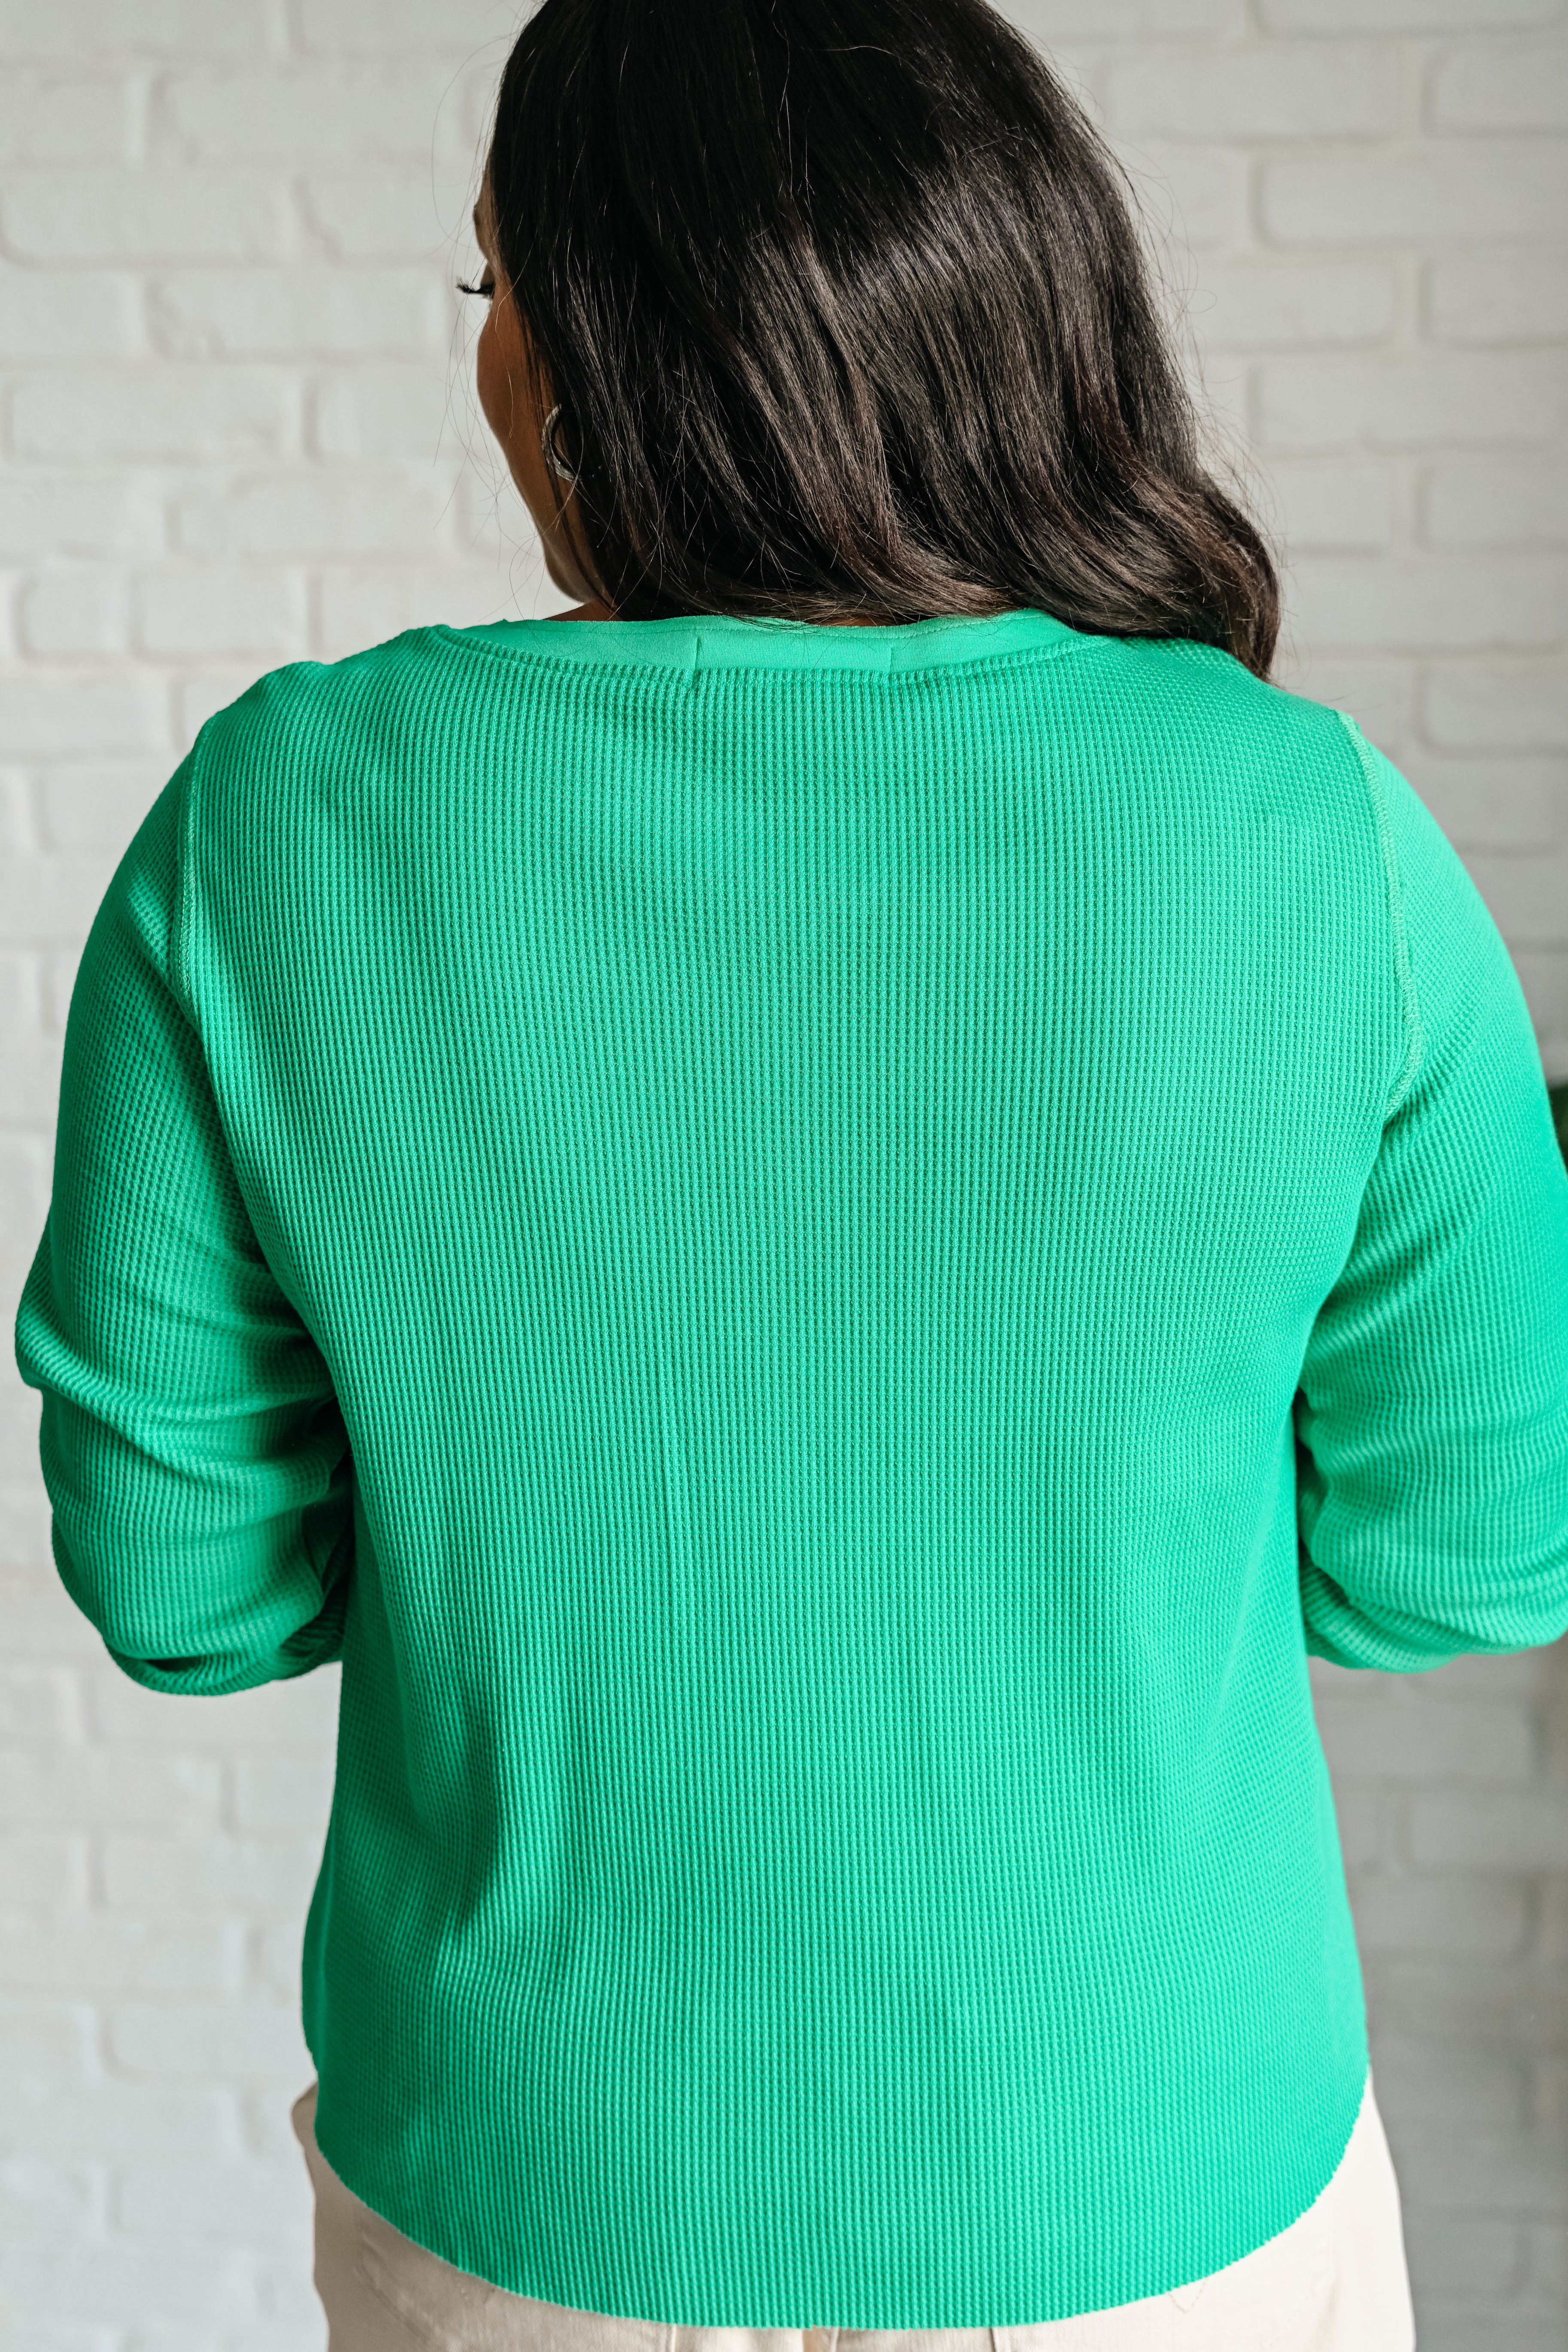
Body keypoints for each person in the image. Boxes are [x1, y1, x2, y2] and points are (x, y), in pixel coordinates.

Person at [15, 0, 1568, 2345]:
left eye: (502, 287)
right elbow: (1469, 1550)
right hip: (1153, 2168)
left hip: (534, 2197)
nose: (492, 357)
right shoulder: (1312, 831)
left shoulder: (280, 821)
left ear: (614, 355)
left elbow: (186, 1583)